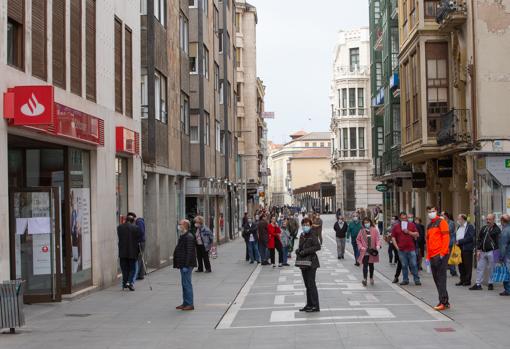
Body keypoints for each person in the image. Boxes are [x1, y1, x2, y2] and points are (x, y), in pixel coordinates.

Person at [426, 206, 451, 311]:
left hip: (440, 254)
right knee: (437, 279)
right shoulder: (430, 225)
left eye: (433, 211)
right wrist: (427, 257)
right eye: (429, 211)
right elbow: (428, 242)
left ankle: (443, 302)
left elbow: (446, 238)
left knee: (441, 279)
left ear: (436, 212)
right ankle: (445, 301)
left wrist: (443, 252)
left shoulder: (442, 222)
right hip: (432, 255)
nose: (431, 213)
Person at [295, 217, 321, 312]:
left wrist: (305, 251)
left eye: (307, 225)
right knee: (307, 285)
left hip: (312, 262)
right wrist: (299, 250)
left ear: (310, 225)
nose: (305, 226)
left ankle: (315, 305)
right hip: (304, 262)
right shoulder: (302, 235)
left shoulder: (313, 234)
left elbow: (317, 246)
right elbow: (301, 247)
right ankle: (309, 304)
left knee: (311, 284)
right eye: (304, 225)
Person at [470, 213, 501, 291]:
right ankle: (478, 284)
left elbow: (499, 242)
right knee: (480, 268)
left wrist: (497, 254)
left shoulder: (497, 229)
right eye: (487, 219)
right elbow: (479, 239)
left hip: (492, 251)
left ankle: (491, 283)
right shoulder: (484, 228)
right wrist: (478, 250)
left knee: (492, 268)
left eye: (489, 219)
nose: (488, 221)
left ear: (493, 220)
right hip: (483, 251)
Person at [392, 212, 421, 286]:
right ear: (400, 218)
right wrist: (397, 247)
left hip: (411, 249)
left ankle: (416, 279)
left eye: (405, 218)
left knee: (414, 264)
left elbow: (417, 234)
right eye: (402, 218)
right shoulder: (396, 226)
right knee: (404, 265)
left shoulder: (411, 225)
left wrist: (409, 232)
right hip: (401, 250)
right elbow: (393, 237)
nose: (404, 220)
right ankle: (405, 279)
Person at [173, 219, 196, 311]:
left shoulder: (188, 237)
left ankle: (190, 304)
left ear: (185, 225)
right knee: (184, 284)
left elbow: (189, 252)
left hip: (187, 264)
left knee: (187, 284)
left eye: (180, 224)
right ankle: (185, 302)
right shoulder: (183, 236)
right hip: (183, 264)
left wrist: (186, 265)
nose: (179, 226)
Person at [117, 214, 140, 291]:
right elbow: (138, 239)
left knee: (124, 269)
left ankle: (124, 283)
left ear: (126, 220)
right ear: (133, 221)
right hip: (132, 252)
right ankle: (129, 282)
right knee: (132, 269)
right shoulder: (136, 228)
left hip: (122, 252)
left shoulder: (119, 227)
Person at [356, 218, 381, 286]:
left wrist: (378, 245)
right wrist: (361, 247)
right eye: (365, 222)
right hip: (365, 251)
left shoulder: (374, 230)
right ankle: (364, 279)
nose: (367, 223)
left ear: (370, 222)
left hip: (372, 251)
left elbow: (378, 239)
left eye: (368, 222)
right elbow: (358, 240)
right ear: (363, 224)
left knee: (371, 265)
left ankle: (371, 277)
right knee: (365, 265)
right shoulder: (361, 231)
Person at [455, 214, 475, 287]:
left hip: (466, 248)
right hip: (458, 248)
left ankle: (467, 280)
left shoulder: (470, 227)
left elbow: (470, 238)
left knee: (467, 265)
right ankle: (462, 279)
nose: (458, 220)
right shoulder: (459, 227)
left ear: (463, 219)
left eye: (459, 219)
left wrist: (460, 241)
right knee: (460, 264)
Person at [441, 211, 458, 277]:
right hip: (444, 243)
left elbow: (448, 230)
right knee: (444, 258)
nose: (441, 216)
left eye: (442, 215)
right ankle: (446, 270)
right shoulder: (442, 222)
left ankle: (453, 271)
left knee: (451, 257)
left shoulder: (451, 223)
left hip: (450, 242)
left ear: (446, 216)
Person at [498, 214, 510, 296]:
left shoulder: (505, 230)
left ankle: (508, 290)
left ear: (502, 221)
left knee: (506, 272)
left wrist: (501, 257)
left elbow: (503, 245)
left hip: (507, 255)